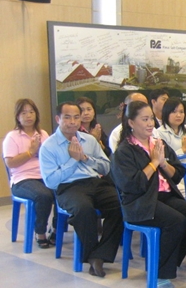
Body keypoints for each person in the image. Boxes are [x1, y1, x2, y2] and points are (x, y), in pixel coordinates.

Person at [110, 101, 186, 288]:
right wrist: (153, 163)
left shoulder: (159, 144)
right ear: (131, 123)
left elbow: (177, 174)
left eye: (151, 118)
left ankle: (169, 261)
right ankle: (160, 272)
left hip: (163, 196)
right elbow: (133, 185)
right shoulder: (124, 151)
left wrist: (163, 163)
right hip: (139, 201)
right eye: (144, 119)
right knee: (176, 221)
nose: (150, 123)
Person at [39, 102, 123, 277]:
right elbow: (51, 181)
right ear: (58, 119)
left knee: (122, 204)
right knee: (83, 209)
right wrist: (73, 160)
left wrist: (85, 158)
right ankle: (92, 256)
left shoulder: (89, 140)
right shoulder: (48, 146)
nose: (72, 122)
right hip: (68, 187)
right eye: (67, 117)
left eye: (76, 117)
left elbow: (106, 167)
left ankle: (100, 255)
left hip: (94, 182)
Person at [3, 99, 56, 248]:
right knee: (44, 195)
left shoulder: (43, 134)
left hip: (44, 176)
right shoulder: (12, 137)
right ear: (17, 116)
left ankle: (56, 230)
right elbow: (10, 163)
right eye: (24, 113)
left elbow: (52, 156)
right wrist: (30, 152)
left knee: (64, 190)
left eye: (31, 112)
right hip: (22, 179)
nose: (28, 116)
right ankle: (40, 232)